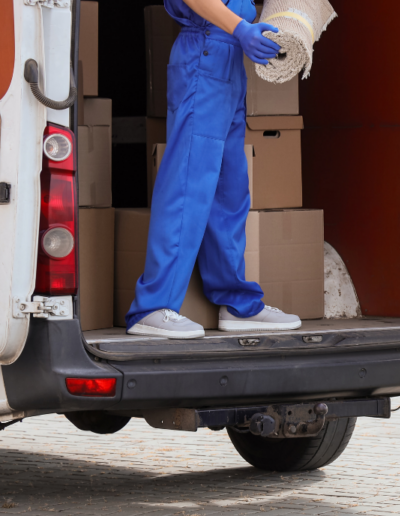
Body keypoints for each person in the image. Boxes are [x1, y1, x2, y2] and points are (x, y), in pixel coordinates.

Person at [125, 0, 302, 339]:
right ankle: (152, 307)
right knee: (187, 186)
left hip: (231, 62)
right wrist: (240, 28)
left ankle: (237, 303)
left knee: (229, 192)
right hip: (204, 53)